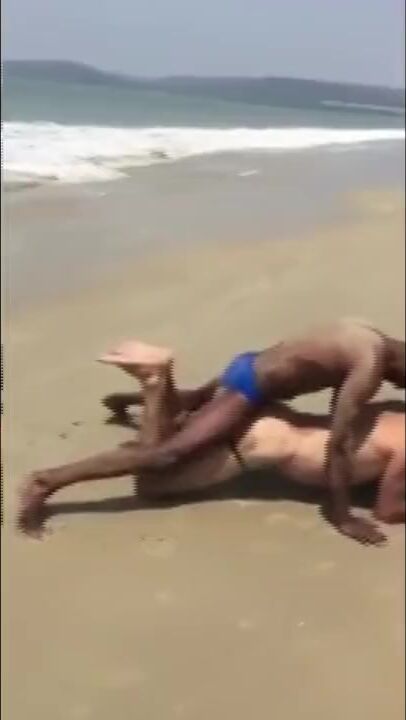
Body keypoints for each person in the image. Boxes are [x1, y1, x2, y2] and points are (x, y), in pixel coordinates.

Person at [18, 338, 405, 542]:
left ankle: (157, 390)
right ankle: (48, 479)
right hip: (262, 441)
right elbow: (387, 510)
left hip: (267, 402)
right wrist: (344, 516)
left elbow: (357, 434)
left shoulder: (395, 407)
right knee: (155, 478)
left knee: (181, 432)